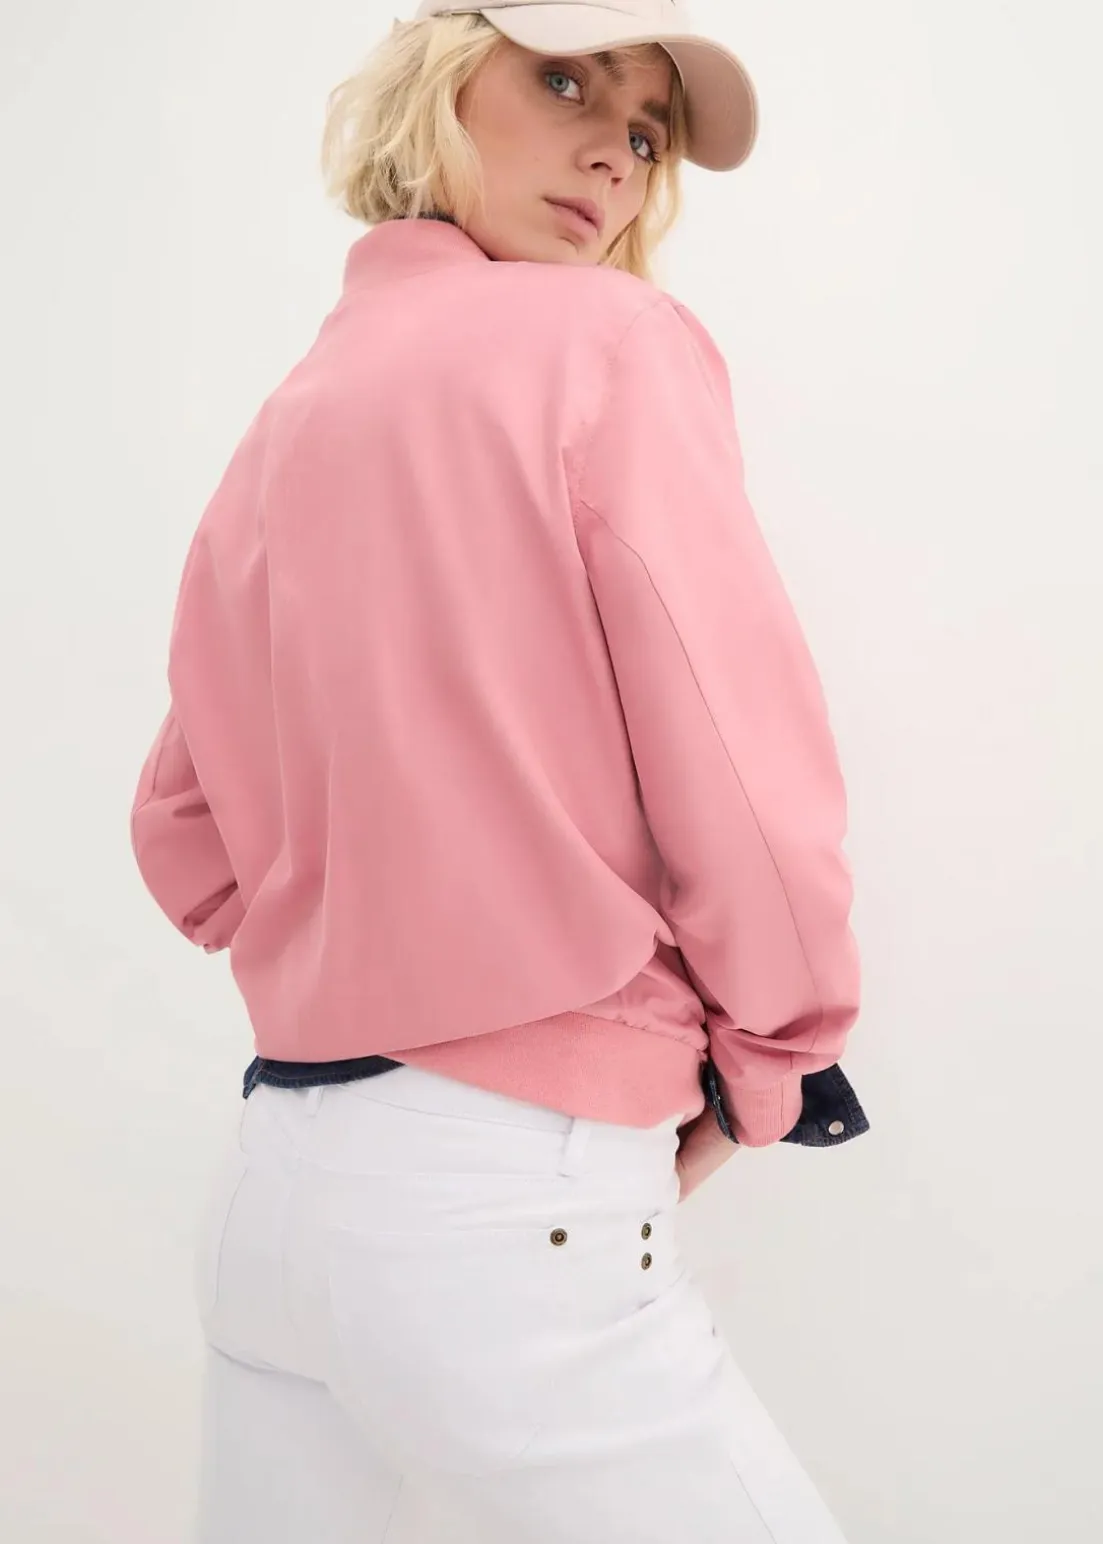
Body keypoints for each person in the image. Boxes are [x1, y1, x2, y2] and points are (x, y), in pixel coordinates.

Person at [129, 3, 868, 1539]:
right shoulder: (608, 341)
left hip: (274, 1197)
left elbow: (182, 829)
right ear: (437, 80)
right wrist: (774, 1058)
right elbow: (735, 756)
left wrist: (361, 938)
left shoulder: (298, 407)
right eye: (565, 79)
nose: (611, 151)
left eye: (645, 132)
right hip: (502, 1206)